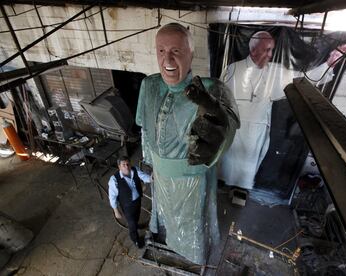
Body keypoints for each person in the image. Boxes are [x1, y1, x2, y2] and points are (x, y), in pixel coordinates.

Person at [135, 23, 239, 265]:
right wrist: (148, 163)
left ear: (191, 54)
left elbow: (228, 124)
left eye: (176, 51)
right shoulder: (148, 86)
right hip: (161, 177)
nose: (167, 59)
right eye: (161, 51)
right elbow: (144, 129)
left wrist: (217, 122)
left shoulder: (212, 90)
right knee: (166, 219)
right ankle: (170, 241)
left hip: (192, 180)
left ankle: (197, 257)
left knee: (193, 227)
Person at [219, 31, 293, 190]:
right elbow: (219, 95)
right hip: (233, 128)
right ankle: (224, 184)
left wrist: (327, 65)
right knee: (228, 161)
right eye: (267, 50)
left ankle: (241, 189)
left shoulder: (275, 72)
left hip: (256, 130)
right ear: (253, 50)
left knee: (247, 166)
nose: (271, 55)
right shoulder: (233, 68)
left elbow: (300, 79)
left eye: (272, 50)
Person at [108, 156, 151, 248]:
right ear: (119, 167)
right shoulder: (114, 179)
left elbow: (144, 176)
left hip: (137, 200)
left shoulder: (134, 170)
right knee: (131, 224)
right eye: (123, 165)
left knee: (136, 216)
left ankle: (136, 224)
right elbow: (112, 196)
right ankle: (136, 240)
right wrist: (116, 210)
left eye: (128, 164)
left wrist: (152, 178)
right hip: (127, 205)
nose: (126, 166)